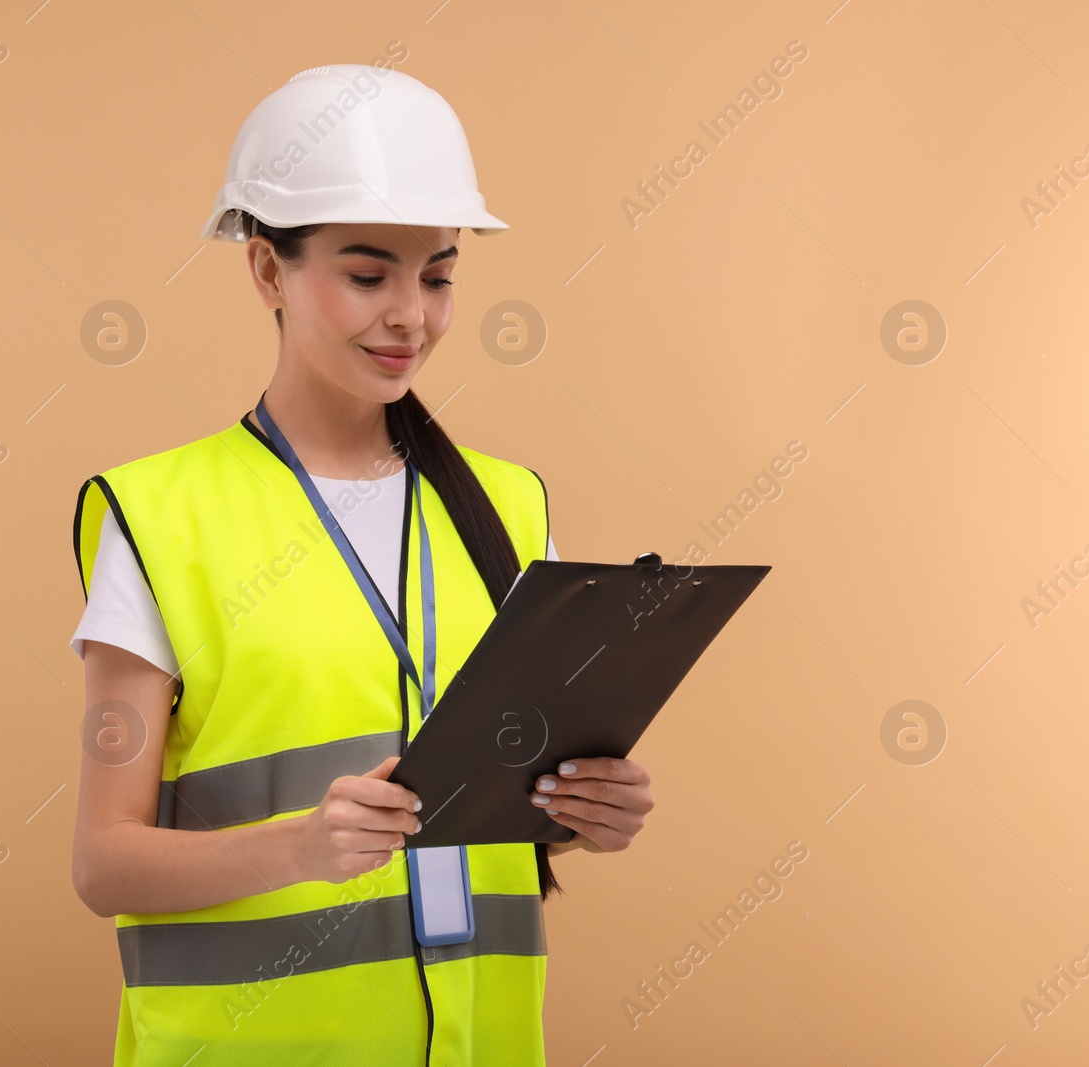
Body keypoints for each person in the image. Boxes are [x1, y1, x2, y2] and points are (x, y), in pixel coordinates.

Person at [69, 64, 655, 1066]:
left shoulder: (510, 509)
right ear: (267, 271)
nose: (410, 317)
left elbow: (509, 808)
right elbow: (102, 861)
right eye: (367, 273)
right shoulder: (163, 516)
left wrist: (585, 813)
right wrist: (298, 847)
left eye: (436, 275)